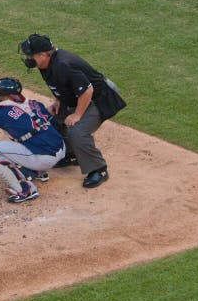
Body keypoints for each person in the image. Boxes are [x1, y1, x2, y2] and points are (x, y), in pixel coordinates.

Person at [19, 33, 126, 188]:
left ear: (42, 54)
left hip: (100, 97)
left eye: (30, 55)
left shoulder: (63, 64)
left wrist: (77, 115)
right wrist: (58, 101)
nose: (28, 58)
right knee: (55, 121)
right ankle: (72, 155)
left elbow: (87, 90)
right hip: (79, 97)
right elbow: (62, 85)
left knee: (77, 130)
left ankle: (99, 170)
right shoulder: (45, 63)